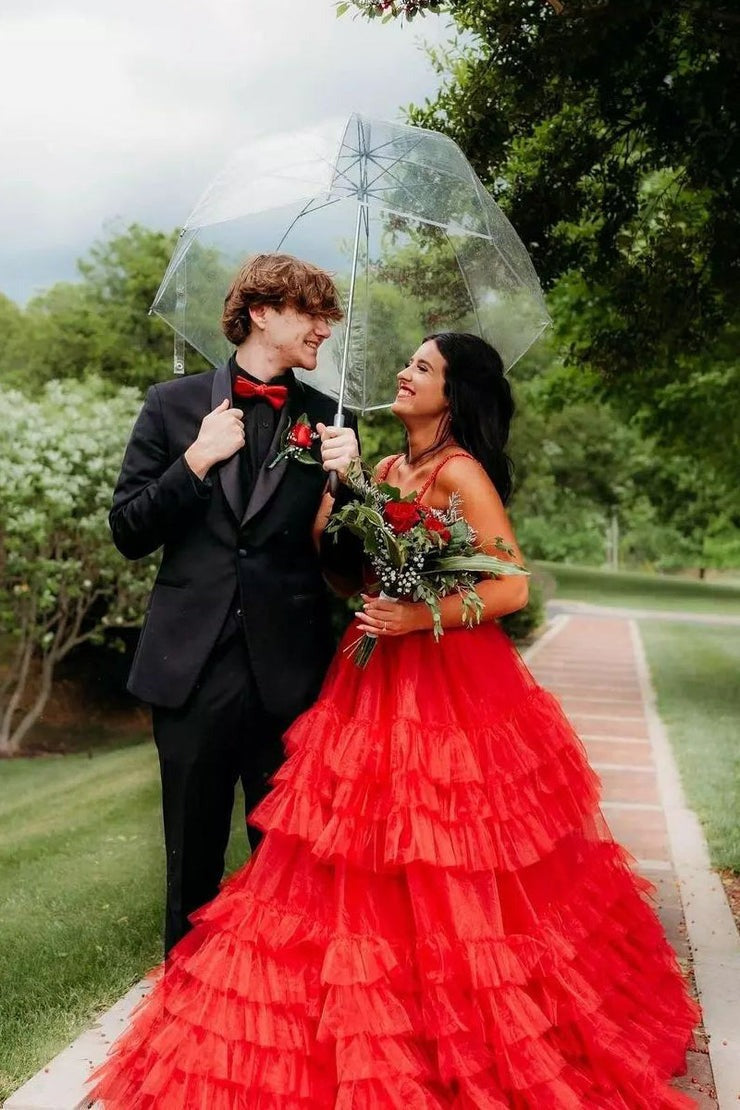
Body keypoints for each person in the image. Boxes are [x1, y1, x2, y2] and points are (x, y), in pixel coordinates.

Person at [89, 332, 698, 1108]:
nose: (404, 375)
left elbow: (507, 585)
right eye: (409, 363)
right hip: (366, 678)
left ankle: (456, 1024)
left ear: (456, 393)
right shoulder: (378, 468)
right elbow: (348, 571)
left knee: (441, 858)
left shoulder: (461, 472)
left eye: (422, 368)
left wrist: (420, 617)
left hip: (443, 683)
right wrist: (336, 513)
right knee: (352, 858)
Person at [108, 253, 358, 955]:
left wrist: (352, 488)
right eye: (312, 314)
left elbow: (345, 568)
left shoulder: (327, 424)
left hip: (292, 677)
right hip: (189, 669)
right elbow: (128, 529)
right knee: (191, 860)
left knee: (290, 866)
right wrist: (193, 463)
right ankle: (182, 1015)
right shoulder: (173, 406)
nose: (324, 332)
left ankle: (275, 1023)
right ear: (261, 313)